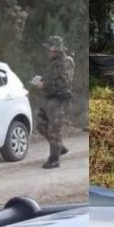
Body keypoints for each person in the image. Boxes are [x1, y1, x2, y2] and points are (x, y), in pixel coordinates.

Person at [31, 36, 75, 169]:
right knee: (41, 123)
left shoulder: (63, 62)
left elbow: (63, 83)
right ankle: (59, 147)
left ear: (56, 50)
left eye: (49, 49)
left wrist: (43, 85)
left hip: (59, 100)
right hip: (50, 99)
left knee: (54, 129)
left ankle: (54, 159)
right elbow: (53, 78)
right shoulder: (55, 62)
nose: (47, 52)